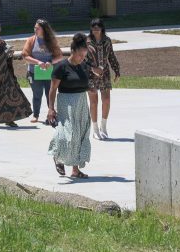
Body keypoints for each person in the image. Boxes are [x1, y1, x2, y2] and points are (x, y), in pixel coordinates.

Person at [47, 33, 100, 179]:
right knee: (65, 134)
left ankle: (75, 170)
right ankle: (57, 157)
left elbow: (83, 83)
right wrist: (51, 108)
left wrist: (90, 88)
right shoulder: (61, 67)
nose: (82, 58)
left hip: (81, 103)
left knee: (79, 136)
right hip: (66, 103)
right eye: (80, 55)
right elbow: (52, 90)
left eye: (84, 56)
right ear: (73, 51)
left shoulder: (83, 66)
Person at [0, 20, 32, 128]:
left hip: (4, 74)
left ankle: (9, 119)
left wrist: (9, 54)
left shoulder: (3, 43)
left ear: (0, 31)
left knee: (8, 96)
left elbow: (7, 58)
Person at [21, 19, 64, 123]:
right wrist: (38, 62)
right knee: (37, 94)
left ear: (44, 29)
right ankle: (36, 115)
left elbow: (60, 56)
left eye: (37, 28)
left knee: (50, 94)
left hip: (49, 73)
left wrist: (50, 61)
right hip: (34, 72)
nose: (35, 29)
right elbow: (24, 56)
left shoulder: (51, 41)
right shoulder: (31, 40)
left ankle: (52, 115)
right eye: (34, 27)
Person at [87, 18, 122, 140]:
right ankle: (95, 129)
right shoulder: (86, 42)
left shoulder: (107, 41)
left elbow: (111, 56)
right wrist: (93, 69)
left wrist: (116, 70)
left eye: (98, 28)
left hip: (105, 73)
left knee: (106, 100)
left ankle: (103, 127)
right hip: (90, 75)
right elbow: (82, 60)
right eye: (93, 28)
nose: (96, 30)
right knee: (94, 102)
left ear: (102, 28)